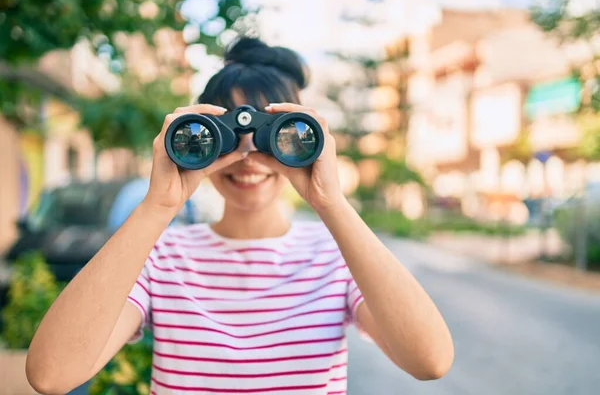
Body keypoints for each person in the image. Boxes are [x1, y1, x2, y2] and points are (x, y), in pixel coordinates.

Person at [25, 37, 454, 395]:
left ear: (310, 141)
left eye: (277, 137)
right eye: (227, 140)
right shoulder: (161, 255)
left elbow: (429, 360)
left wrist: (331, 203)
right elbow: (51, 375)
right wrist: (157, 207)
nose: (248, 157)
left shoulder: (337, 255)